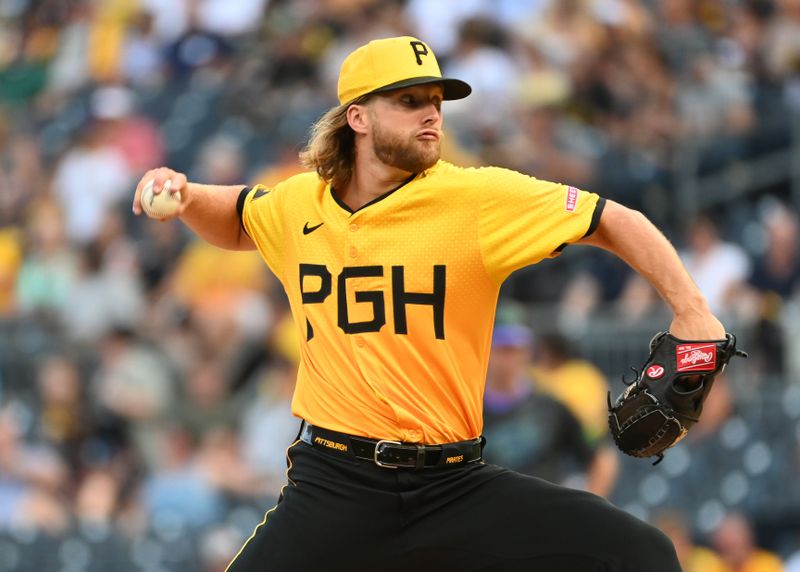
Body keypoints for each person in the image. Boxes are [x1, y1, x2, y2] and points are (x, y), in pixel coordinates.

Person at [132, 36, 726, 571]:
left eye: (436, 99)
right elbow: (236, 216)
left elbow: (612, 220)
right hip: (335, 485)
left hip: (453, 485)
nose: (431, 113)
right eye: (410, 100)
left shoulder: (476, 197)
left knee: (640, 555)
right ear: (357, 117)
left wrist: (692, 311)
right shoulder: (298, 204)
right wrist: (184, 196)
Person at [483, 324, 616, 498]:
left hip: (542, 513)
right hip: (490, 513)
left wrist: (593, 506)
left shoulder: (551, 406)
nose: (509, 360)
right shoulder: (470, 409)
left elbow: (601, 457)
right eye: (501, 351)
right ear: (486, 353)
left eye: (516, 351)